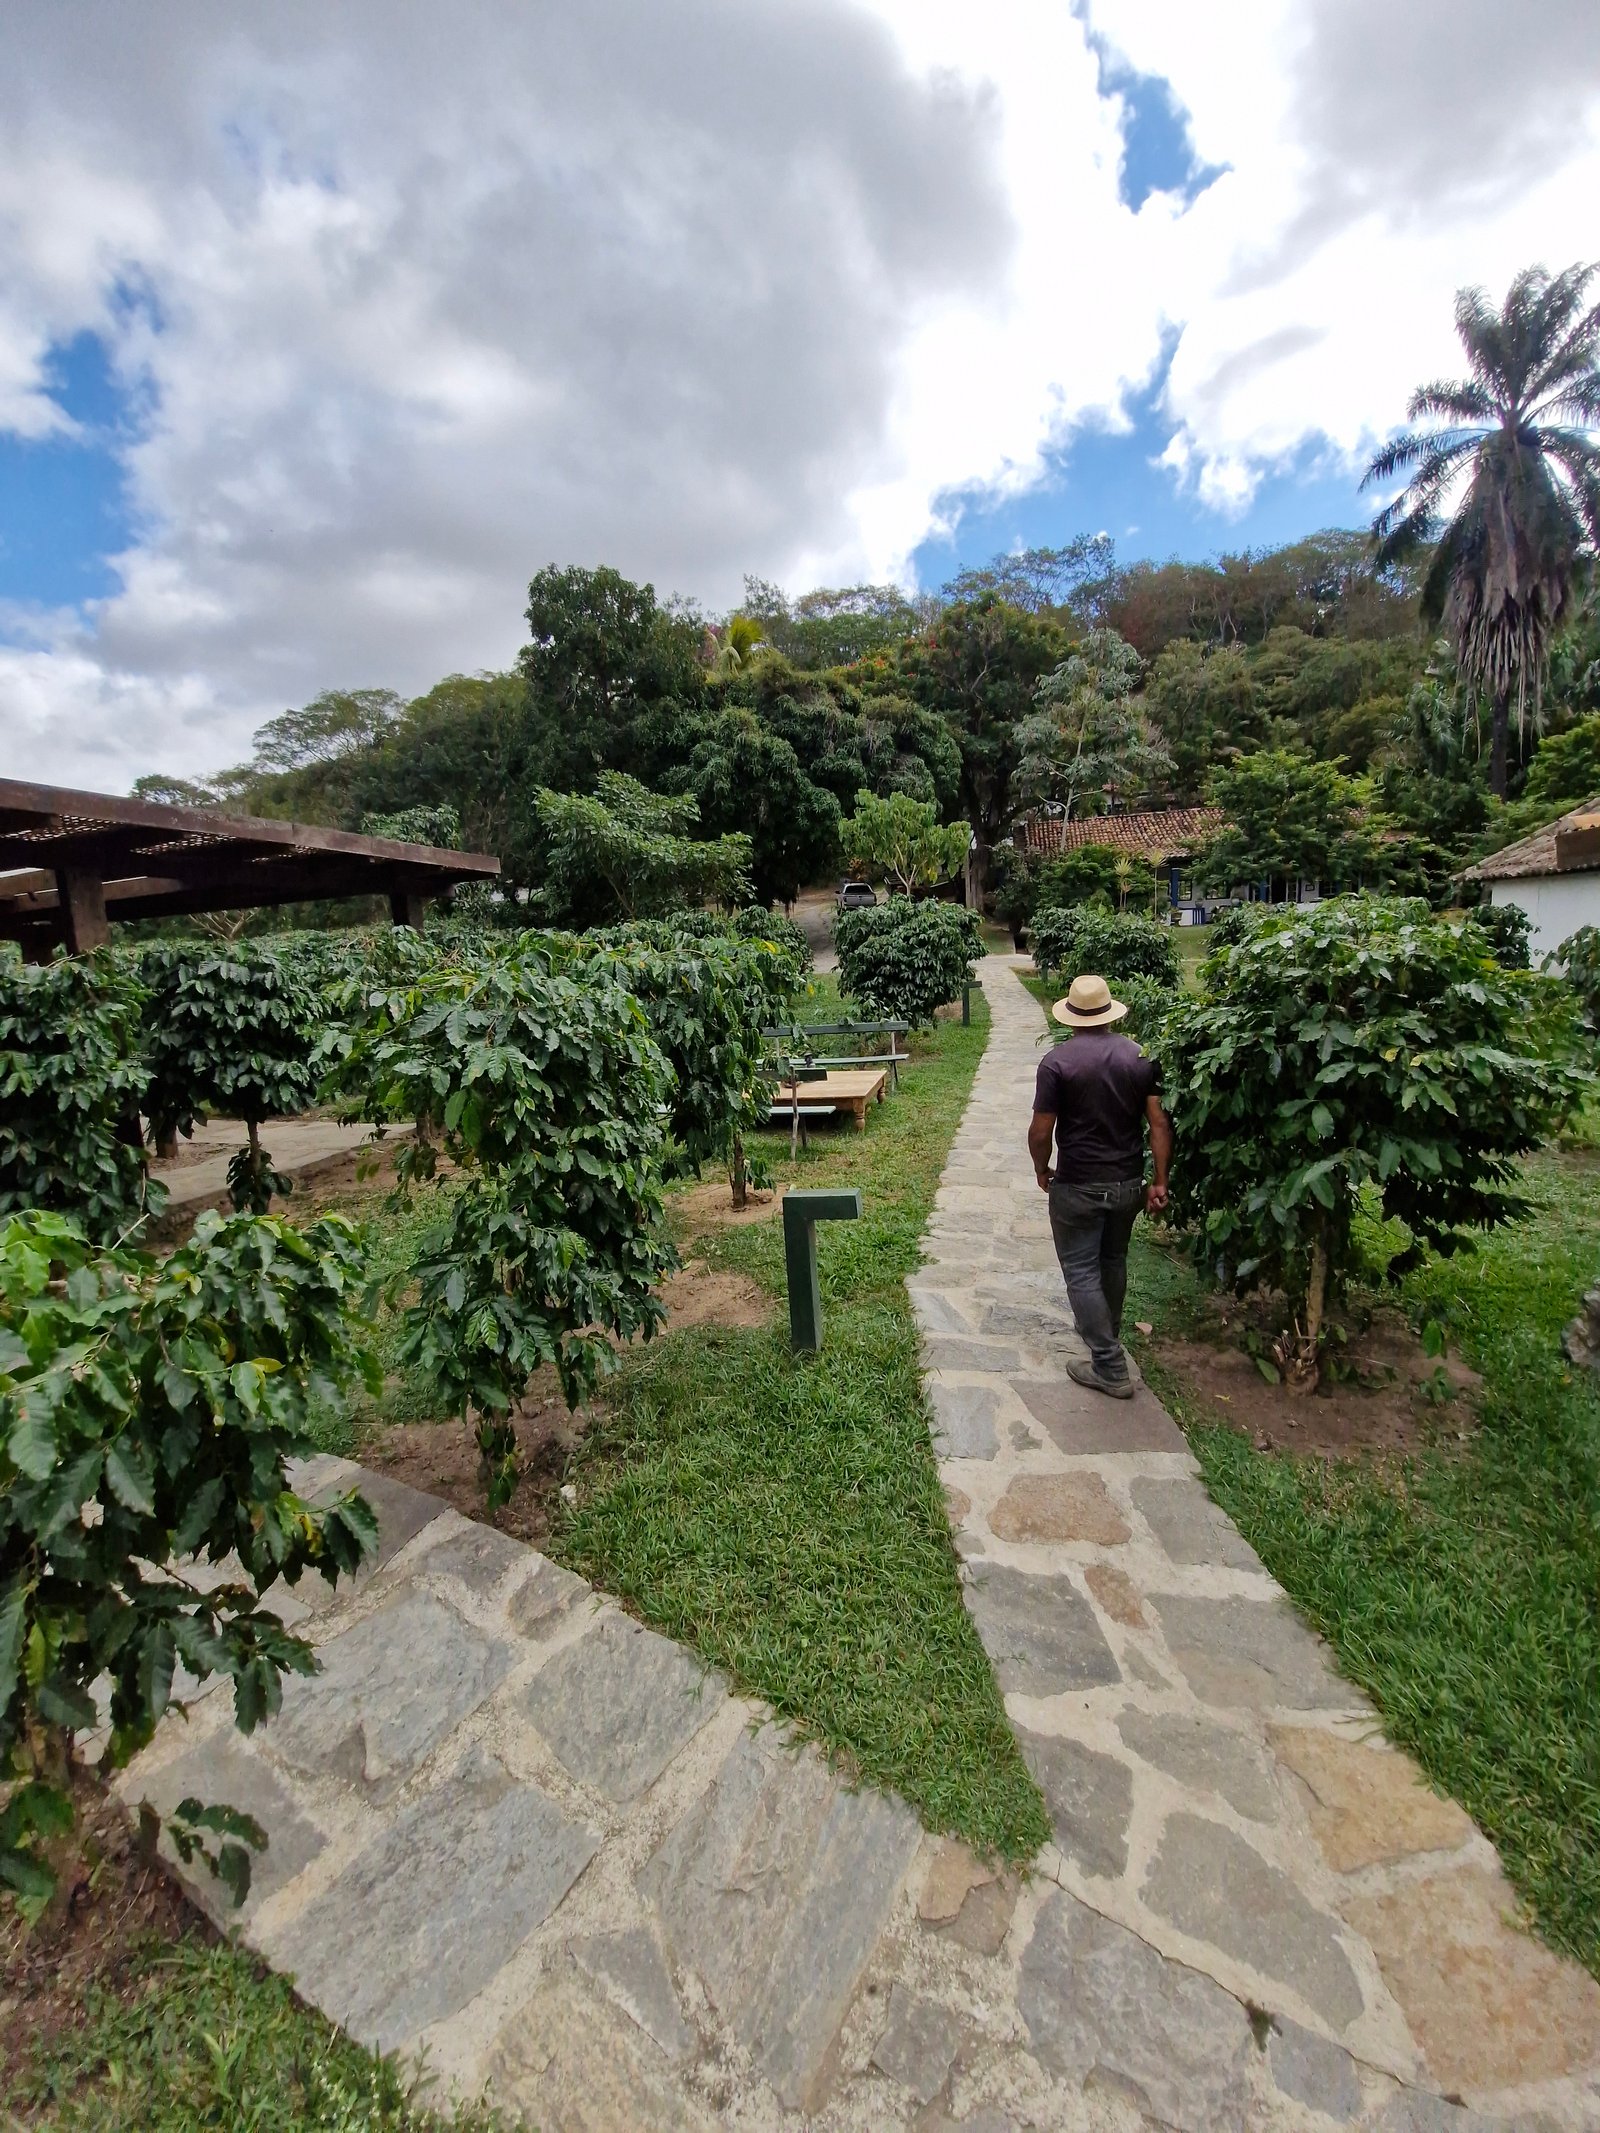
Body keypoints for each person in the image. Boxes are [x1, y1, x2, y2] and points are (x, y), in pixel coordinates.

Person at [1027, 973, 1173, 1399]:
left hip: (1078, 1185)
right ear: (1110, 1014)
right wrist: (1160, 1180)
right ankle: (1106, 1330)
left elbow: (1041, 1130)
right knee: (1112, 1260)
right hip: (1127, 1184)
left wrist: (1041, 1166)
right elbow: (1159, 1124)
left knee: (1081, 1270)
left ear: (1071, 1016)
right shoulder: (1139, 1057)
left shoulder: (1057, 1063)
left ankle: (1108, 1364)